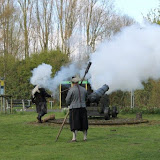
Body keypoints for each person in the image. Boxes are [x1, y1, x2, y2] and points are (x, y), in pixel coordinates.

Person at [65, 76, 88, 142]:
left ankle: (74, 138)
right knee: (84, 123)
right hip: (83, 108)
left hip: (74, 108)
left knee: (74, 123)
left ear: (72, 83)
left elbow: (67, 100)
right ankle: (85, 138)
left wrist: (70, 103)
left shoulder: (71, 90)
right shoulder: (84, 89)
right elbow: (87, 98)